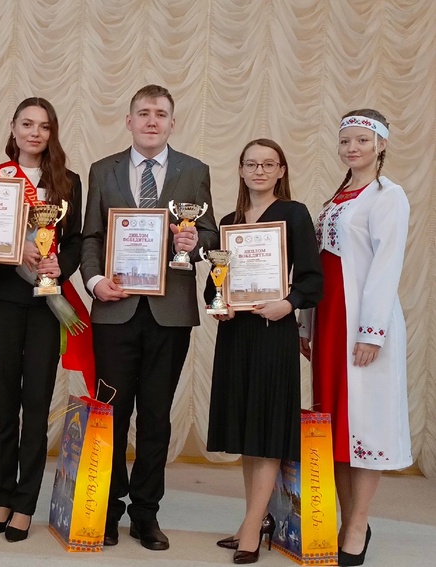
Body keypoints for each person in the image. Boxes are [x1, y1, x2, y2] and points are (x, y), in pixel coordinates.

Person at [79, 84, 218, 551]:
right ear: (129, 121)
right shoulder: (103, 170)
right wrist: (95, 281)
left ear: (172, 123)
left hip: (169, 312)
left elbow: (208, 233)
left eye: (160, 113)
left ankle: (145, 513)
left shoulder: (194, 171)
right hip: (114, 309)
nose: (152, 121)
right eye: (143, 113)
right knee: (111, 413)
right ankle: (106, 509)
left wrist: (192, 245)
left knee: (156, 416)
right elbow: (91, 236)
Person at [299, 110, 411, 567]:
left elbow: (386, 265)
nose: (352, 148)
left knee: (363, 424)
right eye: (346, 140)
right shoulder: (336, 198)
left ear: (381, 144)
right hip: (329, 320)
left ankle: (358, 524)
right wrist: (306, 323)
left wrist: (372, 331)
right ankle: (346, 519)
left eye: (362, 140)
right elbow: (319, 265)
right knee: (334, 426)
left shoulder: (388, 196)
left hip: (361, 323)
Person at [206, 139, 323, 564]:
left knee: (269, 428)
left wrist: (288, 304)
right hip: (236, 334)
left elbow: (312, 279)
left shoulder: (294, 214)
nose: (259, 170)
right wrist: (218, 304)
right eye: (252, 164)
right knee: (247, 431)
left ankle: (253, 528)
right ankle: (253, 518)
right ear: (240, 170)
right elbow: (216, 282)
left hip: (274, 331)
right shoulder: (229, 222)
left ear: (281, 170)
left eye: (268, 164)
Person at [0, 97, 83, 542]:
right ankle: (2, 497)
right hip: (2, 299)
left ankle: (25, 504)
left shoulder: (69, 182)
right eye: (27, 124)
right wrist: (10, 249)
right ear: (14, 128)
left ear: (52, 132)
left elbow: (76, 242)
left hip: (46, 303)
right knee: (5, 401)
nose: (34, 133)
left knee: (36, 403)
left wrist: (62, 266)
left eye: (43, 126)